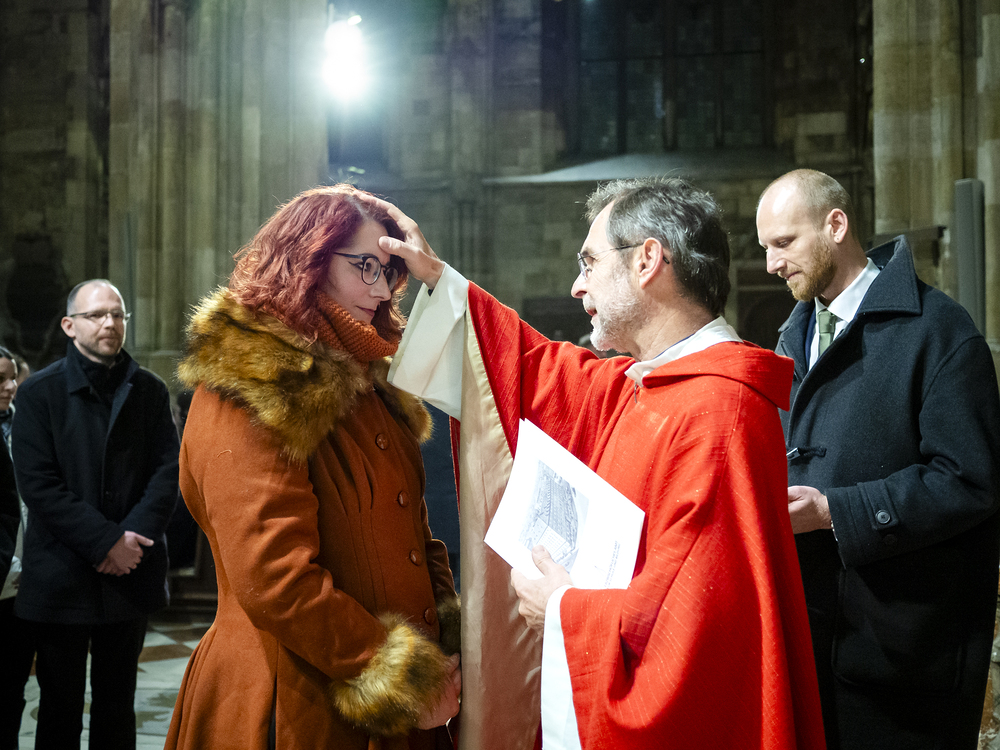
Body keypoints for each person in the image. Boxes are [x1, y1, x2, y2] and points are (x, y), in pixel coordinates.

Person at [371, 179, 826, 750]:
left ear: (647, 261)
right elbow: (532, 370)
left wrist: (563, 610)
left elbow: (693, 632)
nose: (577, 284)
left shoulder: (717, 413)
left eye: (589, 262)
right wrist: (441, 280)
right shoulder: (650, 384)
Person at [164, 185, 461, 750]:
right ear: (307, 261)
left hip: (402, 706)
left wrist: (444, 642)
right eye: (364, 267)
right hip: (292, 701)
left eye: (387, 272)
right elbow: (275, 579)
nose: (380, 290)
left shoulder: (373, 386)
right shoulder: (254, 383)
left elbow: (418, 536)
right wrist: (400, 678)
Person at [756, 169, 1000, 750]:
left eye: (783, 243)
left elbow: (970, 480)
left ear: (836, 225)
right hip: (814, 638)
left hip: (904, 658)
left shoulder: (939, 330)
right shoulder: (791, 337)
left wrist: (834, 511)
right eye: (765, 247)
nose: (771, 265)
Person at [11, 279, 179, 750]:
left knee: (116, 704)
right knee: (59, 705)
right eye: (97, 315)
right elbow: (39, 485)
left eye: (118, 314)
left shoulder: (149, 390)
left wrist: (133, 538)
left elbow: (168, 471)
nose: (110, 323)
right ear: (69, 325)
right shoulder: (39, 393)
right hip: (63, 572)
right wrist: (106, 542)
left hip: (131, 571)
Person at [0, 346, 35, 750]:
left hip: (22, 576)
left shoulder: (25, 423)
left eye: (12, 378)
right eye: (0, 380)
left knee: (12, 689)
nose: (10, 387)